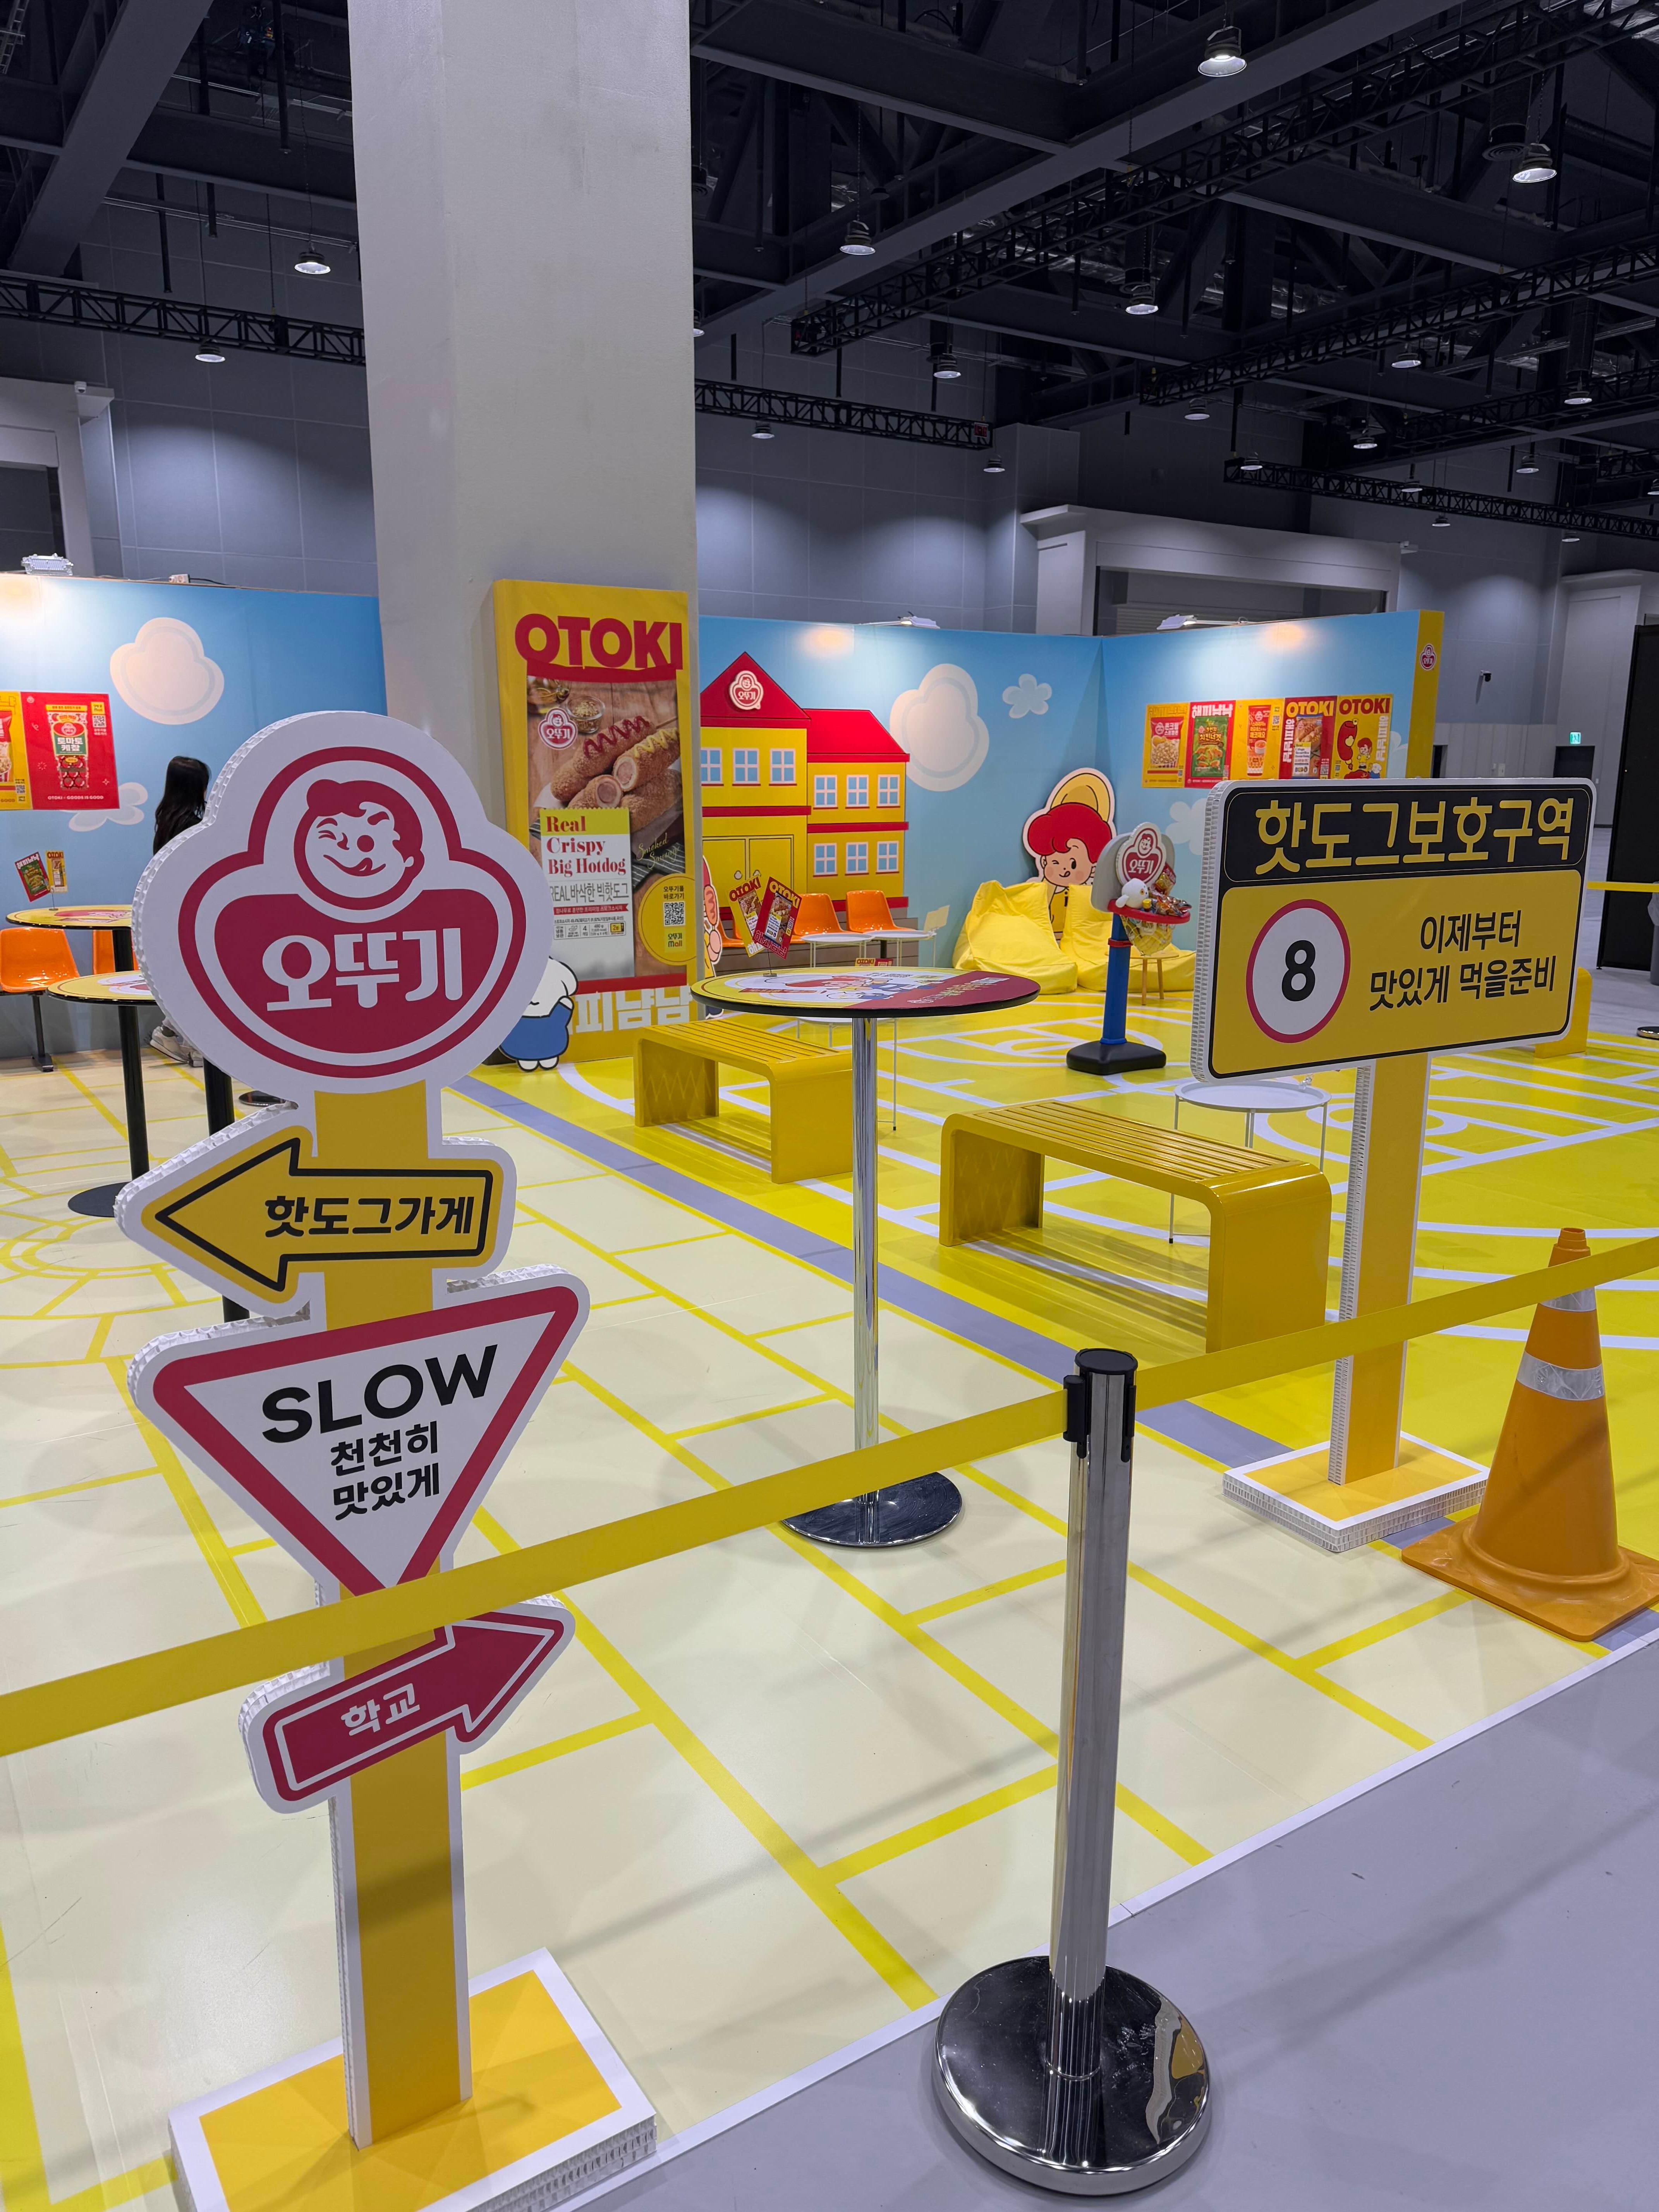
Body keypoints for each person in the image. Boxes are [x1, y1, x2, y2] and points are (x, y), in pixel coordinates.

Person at [148, 756, 210, 1065]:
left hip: (175, 912)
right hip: (193, 914)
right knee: (202, 981)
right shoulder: (192, 827)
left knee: (193, 980)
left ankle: (172, 1033)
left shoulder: (167, 821)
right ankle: (194, 1043)